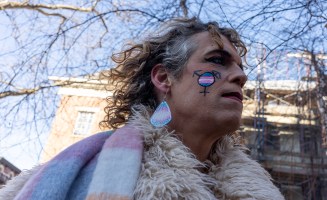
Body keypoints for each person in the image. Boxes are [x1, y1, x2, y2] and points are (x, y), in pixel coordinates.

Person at [0, 17, 284, 200]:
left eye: (239, 67)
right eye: (217, 60)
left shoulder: (261, 190)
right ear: (163, 78)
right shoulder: (83, 168)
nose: (241, 76)